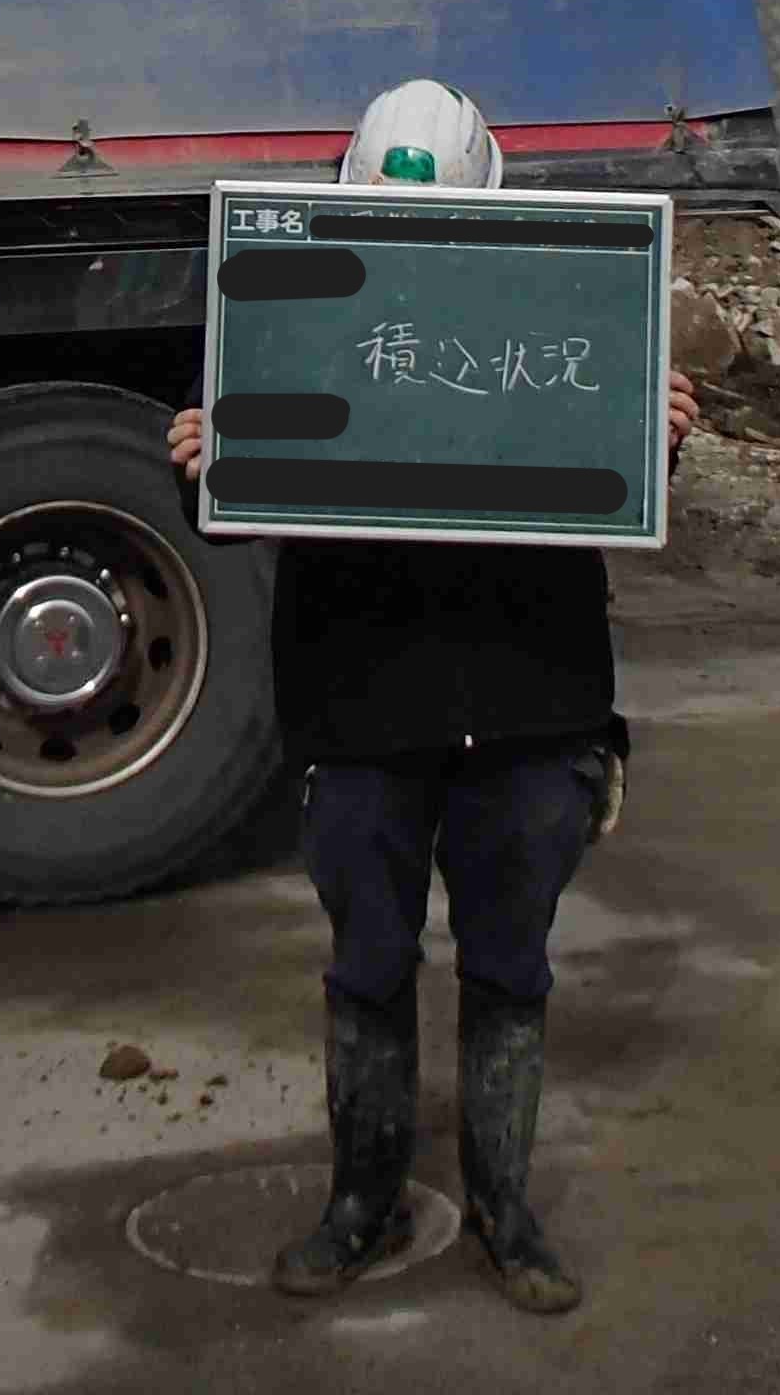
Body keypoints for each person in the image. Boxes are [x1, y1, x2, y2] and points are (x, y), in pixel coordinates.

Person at [166, 76, 697, 1318]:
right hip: (361, 706)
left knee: (509, 967)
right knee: (368, 964)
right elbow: (242, 505)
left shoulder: (554, 305)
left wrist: (651, 431)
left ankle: (507, 1215)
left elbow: (607, 468)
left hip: (528, 705)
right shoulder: (292, 301)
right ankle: (360, 1204)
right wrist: (204, 457)